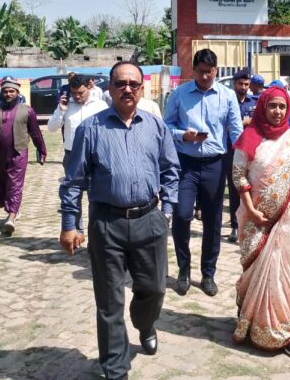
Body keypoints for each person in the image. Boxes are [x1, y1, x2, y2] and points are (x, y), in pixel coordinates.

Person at [59, 60, 180, 380]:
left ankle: (144, 323)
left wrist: (167, 211)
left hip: (149, 220)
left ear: (142, 89)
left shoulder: (155, 126)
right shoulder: (91, 129)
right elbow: (73, 181)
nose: (128, 89)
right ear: (110, 88)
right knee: (109, 302)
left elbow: (171, 170)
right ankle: (116, 369)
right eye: (120, 83)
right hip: (107, 224)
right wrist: (70, 224)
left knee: (153, 289)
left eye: (133, 84)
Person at [231, 86, 290, 358]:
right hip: (255, 217)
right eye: (272, 106)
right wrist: (251, 210)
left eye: (282, 106)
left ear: (288, 109)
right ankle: (249, 322)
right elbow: (239, 176)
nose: (277, 111)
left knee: (284, 272)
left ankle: (281, 329)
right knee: (255, 271)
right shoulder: (249, 136)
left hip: (286, 216)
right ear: (263, 107)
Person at [164, 49, 243, 296]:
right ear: (193, 70)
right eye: (200, 72)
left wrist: (245, 159)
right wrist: (183, 135)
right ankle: (184, 270)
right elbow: (166, 126)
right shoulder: (179, 94)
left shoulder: (227, 96)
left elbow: (236, 131)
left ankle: (208, 273)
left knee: (213, 220)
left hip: (215, 165)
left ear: (216, 70)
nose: (205, 76)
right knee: (182, 215)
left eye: (209, 72)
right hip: (185, 163)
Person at [0, 78, 47, 235]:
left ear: (17, 93)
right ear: (1, 93)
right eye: (5, 91)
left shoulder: (27, 111)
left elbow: (35, 133)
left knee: (14, 183)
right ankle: (12, 209)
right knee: (2, 184)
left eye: (11, 91)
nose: (8, 94)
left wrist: (41, 150)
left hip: (18, 153)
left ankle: (11, 217)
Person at [47, 74, 107, 174]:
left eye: (81, 92)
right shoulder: (65, 105)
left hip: (95, 154)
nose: (77, 96)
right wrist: (61, 111)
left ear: (88, 88)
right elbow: (51, 128)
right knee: (72, 184)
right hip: (72, 154)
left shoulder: (100, 106)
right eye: (74, 93)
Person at [225, 69, 256, 243]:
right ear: (234, 84)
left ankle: (249, 223)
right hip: (232, 150)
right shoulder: (227, 102)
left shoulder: (254, 102)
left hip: (251, 150)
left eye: (246, 84)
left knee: (251, 186)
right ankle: (235, 226)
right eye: (240, 84)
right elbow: (223, 126)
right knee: (235, 188)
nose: (243, 87)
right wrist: (244, 122)